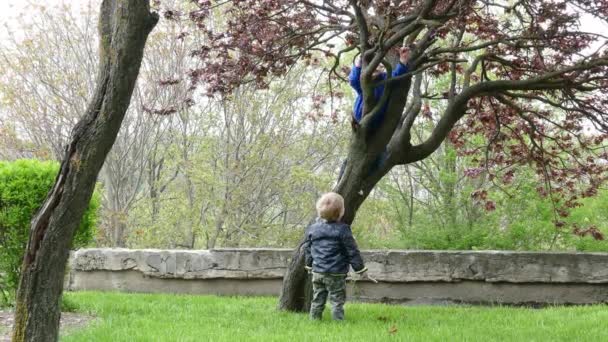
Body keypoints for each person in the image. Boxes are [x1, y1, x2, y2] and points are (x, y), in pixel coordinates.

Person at [338, 47, 412, 182]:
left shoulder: (385, 79)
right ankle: (343, 179)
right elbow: (354, 79)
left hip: (377, 125)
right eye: (374, 65)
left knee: (378, 157)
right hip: (361, 123)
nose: (377, 68)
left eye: (379, 65)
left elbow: (397, 75)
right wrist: (360, 60)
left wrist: (403, 60)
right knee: (353, 156)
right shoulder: (364, 82)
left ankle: (365, 179)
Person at [304, 192, 368, 321]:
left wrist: (309, 265)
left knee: (317, 299)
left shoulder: (313, 229)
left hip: (318, 272)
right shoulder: (343, 229)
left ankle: (314, 320)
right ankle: (338, 322)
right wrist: (360, 269)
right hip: (336, 274)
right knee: (337, 300)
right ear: (340, 213)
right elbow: (352, 251)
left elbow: (308, 249)